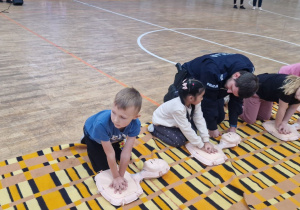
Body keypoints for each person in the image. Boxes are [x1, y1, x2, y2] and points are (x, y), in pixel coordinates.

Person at [176, 53, 258, 138]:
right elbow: (208, 102)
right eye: (231, 88)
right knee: (195, 125)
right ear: (236, 75)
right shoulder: (212, 70)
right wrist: (212, 128)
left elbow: (236, 101)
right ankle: (179, 99)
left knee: (219, 118)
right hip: (192, 76)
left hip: (216, 81)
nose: (228, 92)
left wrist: (233, 126)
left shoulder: (248, 71)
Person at [81, 87, 142, 194]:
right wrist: (115, 176)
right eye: (113, 112)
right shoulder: (101, 124)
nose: (115, 120)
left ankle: (112, 141)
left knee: (122, 158)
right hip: (94, 136)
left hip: (113, 137)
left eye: (122, 117)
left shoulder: (136, 124)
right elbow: (109, 154)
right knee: (103, 168)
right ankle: (85, 139)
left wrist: (121, 176)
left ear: (135, 117)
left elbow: (127, 152)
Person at [149, 78, 217, 153]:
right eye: (201, 96)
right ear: (191, 98)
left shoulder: (195, 102)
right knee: (178, 141)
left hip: (175, 122)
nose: (202, 98)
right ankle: (154, 130)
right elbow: (185, 128)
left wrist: (206, 140)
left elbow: (199, 119)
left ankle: (175, 131)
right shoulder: (178, 108)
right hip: (161, 123)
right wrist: (201, 145)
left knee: (193, 132)